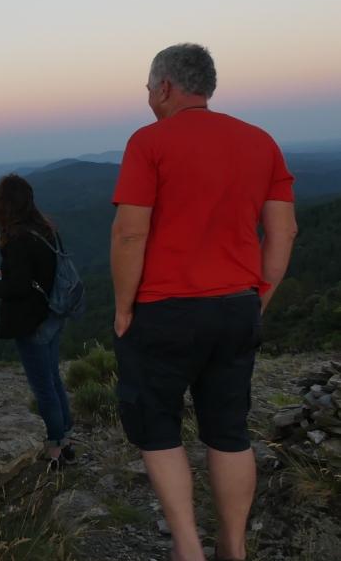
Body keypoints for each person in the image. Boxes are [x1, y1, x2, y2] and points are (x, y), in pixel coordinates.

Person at [111, 43, 297, 561]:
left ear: (166, 86)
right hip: (237, 306)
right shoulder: (261, 142)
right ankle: (232, 549)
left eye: (149, 88)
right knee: (229, 432)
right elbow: (283, 235)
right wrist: (257, 298)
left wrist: (125, 308)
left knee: (159, 428)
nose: (148, 97)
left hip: (163, 310)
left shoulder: (149, 142)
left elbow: (130, 235)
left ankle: (188, 548)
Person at [0, 174, 74, 469]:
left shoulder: (16, 238)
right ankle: (67, 440)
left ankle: (56, 451)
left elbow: (18, 288)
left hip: (31, 322)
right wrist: (6, 273)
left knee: (43, 387)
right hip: (53, 315)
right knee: (54, 380)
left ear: (3, 205)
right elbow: (36, 274)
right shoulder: (46, 230)